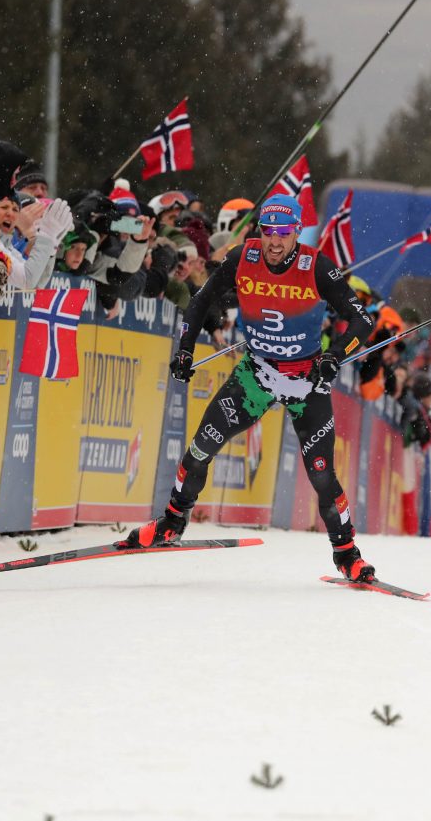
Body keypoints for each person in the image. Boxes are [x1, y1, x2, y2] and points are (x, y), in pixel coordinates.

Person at [118, 195, 377, 581]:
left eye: (284, 233)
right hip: (256, 376)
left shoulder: (316, 266)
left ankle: (347, 555)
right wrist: (185, 350)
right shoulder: (244, 257)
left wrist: (334, 355)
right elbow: (201, 299)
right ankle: (172, 521)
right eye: (268, 232)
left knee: (322, 475)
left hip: (306, 383)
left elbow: (362, 321)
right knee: (200, 447)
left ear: (296, 233)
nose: (275, 241)